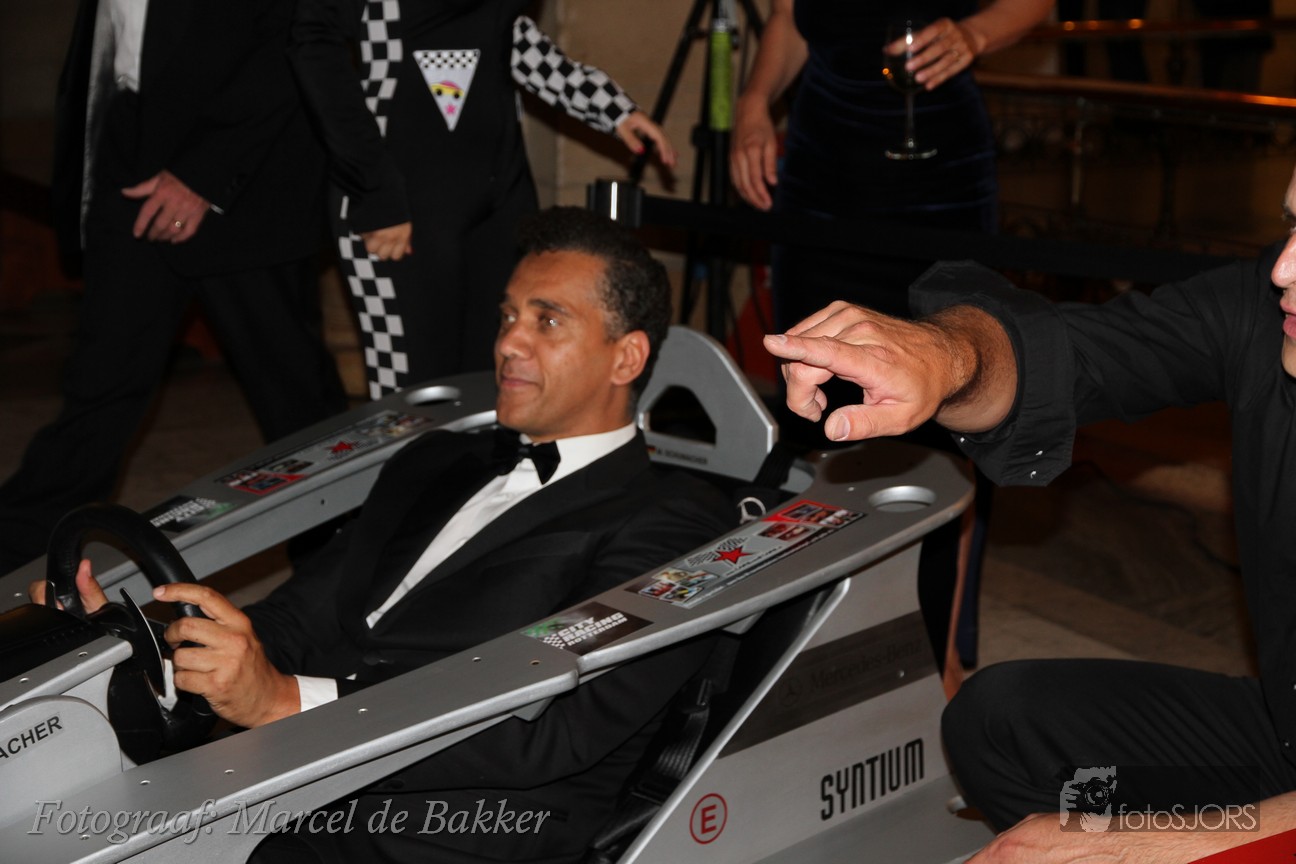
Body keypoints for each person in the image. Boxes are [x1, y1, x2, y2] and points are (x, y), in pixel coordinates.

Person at [39, 207, 733, 864]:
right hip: (279, 787)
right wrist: (140, 648)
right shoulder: (438, 459)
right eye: (508, 316)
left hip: (452, 831)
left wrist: (286, 701)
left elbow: (552, 730)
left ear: (626, 357)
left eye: (547, 321)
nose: (508, 342)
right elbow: (297, 618)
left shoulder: (675, 523)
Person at [760, 165, 1296, 858]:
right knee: (1002, 725)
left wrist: (1147, 846)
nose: (1283, 269)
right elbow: (1080, 354)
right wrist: (947, 358)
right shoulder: (1262, 307)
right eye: (1291, 225)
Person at [0, 0, 349, 575]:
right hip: (128, 148)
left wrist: (203, 175)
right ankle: (15, 552)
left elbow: (290, 35)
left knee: (293, 394)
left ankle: (341, 561)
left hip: (243, 175)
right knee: (101, 382)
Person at [289, 1, 677, 399]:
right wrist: (374, 190)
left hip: (500, 200)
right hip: (400, 207)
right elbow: (314, 41)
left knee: (497, 384)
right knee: (415, 402)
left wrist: (610, 109)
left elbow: (507, 35)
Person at [730, 0, 1053, 329]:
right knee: (810, 347)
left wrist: (974, 35)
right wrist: (754, 99)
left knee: (952, 347)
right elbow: (788, 17)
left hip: (944, 183)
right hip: (820, 181)